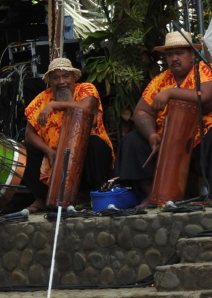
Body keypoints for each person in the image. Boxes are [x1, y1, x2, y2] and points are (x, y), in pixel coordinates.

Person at [115, 30, 212, 201]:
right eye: (169, 54)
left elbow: (204, 96)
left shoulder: (203, 70)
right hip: (165, 138)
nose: (174, 58)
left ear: (191, 54)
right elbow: (141, 111)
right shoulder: (160, 80)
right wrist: (151, 134)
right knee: (132, 141)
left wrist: (169, 94)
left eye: (179, 53)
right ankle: (153, 195)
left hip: (198, 136)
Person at [23, 58, 114, 211]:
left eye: (66, 76)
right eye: (56, 78)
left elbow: (87, 108)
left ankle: (95, 194)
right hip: (54, 157)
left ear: (74, 78)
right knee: (25, 149)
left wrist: (54, 105)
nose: (61, 81)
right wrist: (48, 151)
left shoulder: (86, 89)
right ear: (50, 81)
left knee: (95, 143)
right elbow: (29, 134)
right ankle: (41, 197)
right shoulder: (41, 100)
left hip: (84, 157)